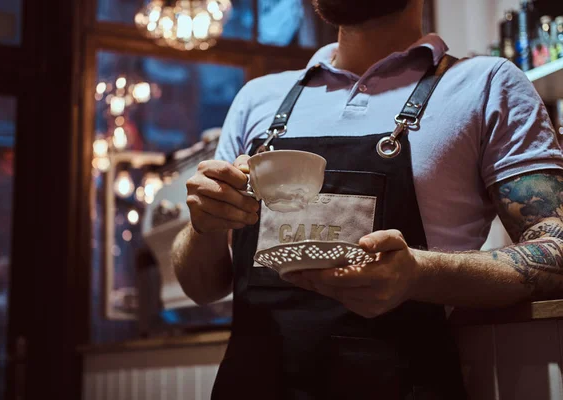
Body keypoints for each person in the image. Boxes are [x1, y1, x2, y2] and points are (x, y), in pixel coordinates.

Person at [171, 0, 563, 398]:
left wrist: (419, 274)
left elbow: (557, 249)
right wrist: (202, 224)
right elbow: (201, 287)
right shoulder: (258, 98)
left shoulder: (486, 83)